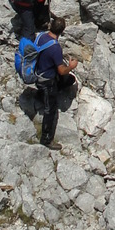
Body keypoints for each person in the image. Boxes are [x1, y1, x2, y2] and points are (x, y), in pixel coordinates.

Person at [34, 15, 78, 150]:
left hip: (37, 73)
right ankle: (46, 139)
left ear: (51, 26)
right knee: (50, 110)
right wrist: (71, 66)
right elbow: (61, 71)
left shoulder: (41, 36)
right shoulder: (55, 47)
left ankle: (40, 95)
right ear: (62, 31)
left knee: (69, 80)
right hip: (47, 81)